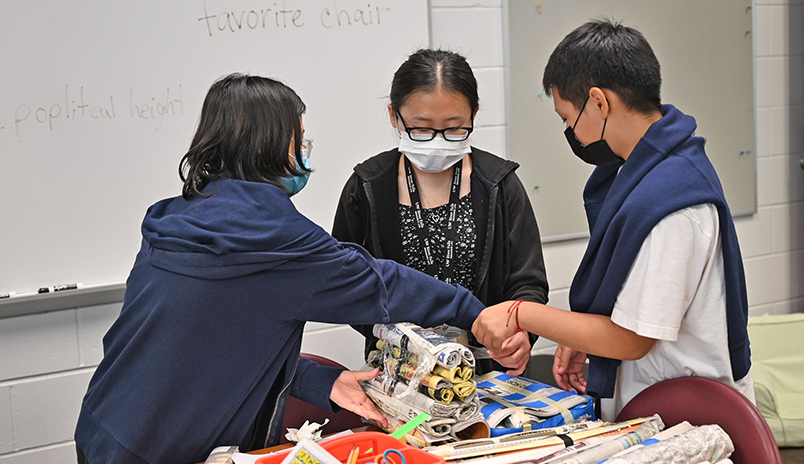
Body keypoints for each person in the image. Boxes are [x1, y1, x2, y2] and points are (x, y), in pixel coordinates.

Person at [74, 74, 528, 464]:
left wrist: (319, 379)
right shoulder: (273, 237)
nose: (304, 150)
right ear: (270, 145)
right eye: (299, 139)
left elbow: (213, 338)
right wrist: (472, 310)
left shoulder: (177, 217)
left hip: (104, 422)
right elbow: (380, 282)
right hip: (164, 449)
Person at [472, 20, 754, 420]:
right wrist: (585, 335)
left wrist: (520, 312)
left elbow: (631, 339)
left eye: (568, 118)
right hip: (653, 398)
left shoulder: (673, 202)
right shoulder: (642, 168)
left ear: (599, 102)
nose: (570, 131)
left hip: (686, 414)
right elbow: (632, 301)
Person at [332, 49, 548, 375]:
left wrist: (521, 333)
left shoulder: (499, 183)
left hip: (489, 370)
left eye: (455, 127)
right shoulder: (367, 187)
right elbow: (345, 287)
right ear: (394, 116)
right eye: (421, 128)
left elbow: (528, 283)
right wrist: (400, 337)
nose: (438, 140)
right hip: (400, 372)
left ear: (474, 114)